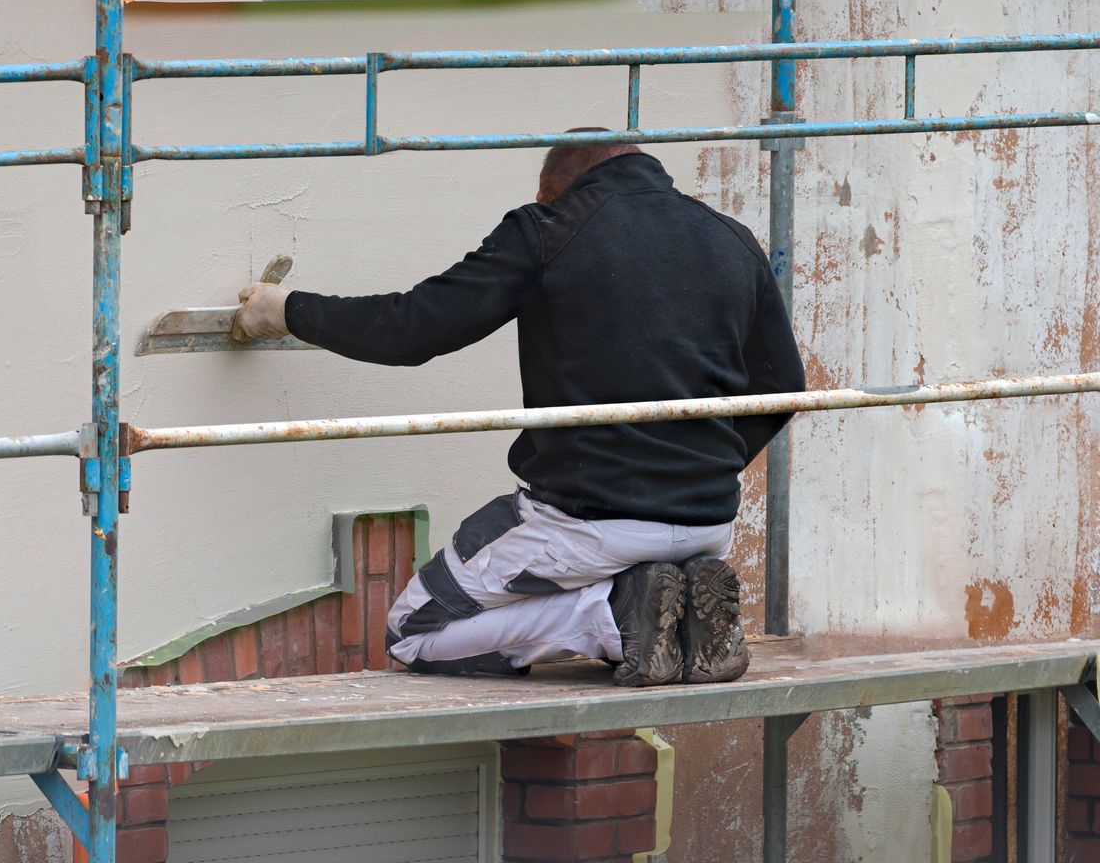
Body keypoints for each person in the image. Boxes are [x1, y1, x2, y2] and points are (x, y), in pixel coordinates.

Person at [233, 136, 806, 687]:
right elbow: (782, 385)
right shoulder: (731, 237)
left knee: (415, 630)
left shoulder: (549, 229)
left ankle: (612, 617)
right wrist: (694, 473)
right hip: (709, 524)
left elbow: (412, 330)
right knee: (613, 582)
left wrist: (287, 311)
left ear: (555, 187)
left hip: (584, 523)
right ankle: (653, 606)